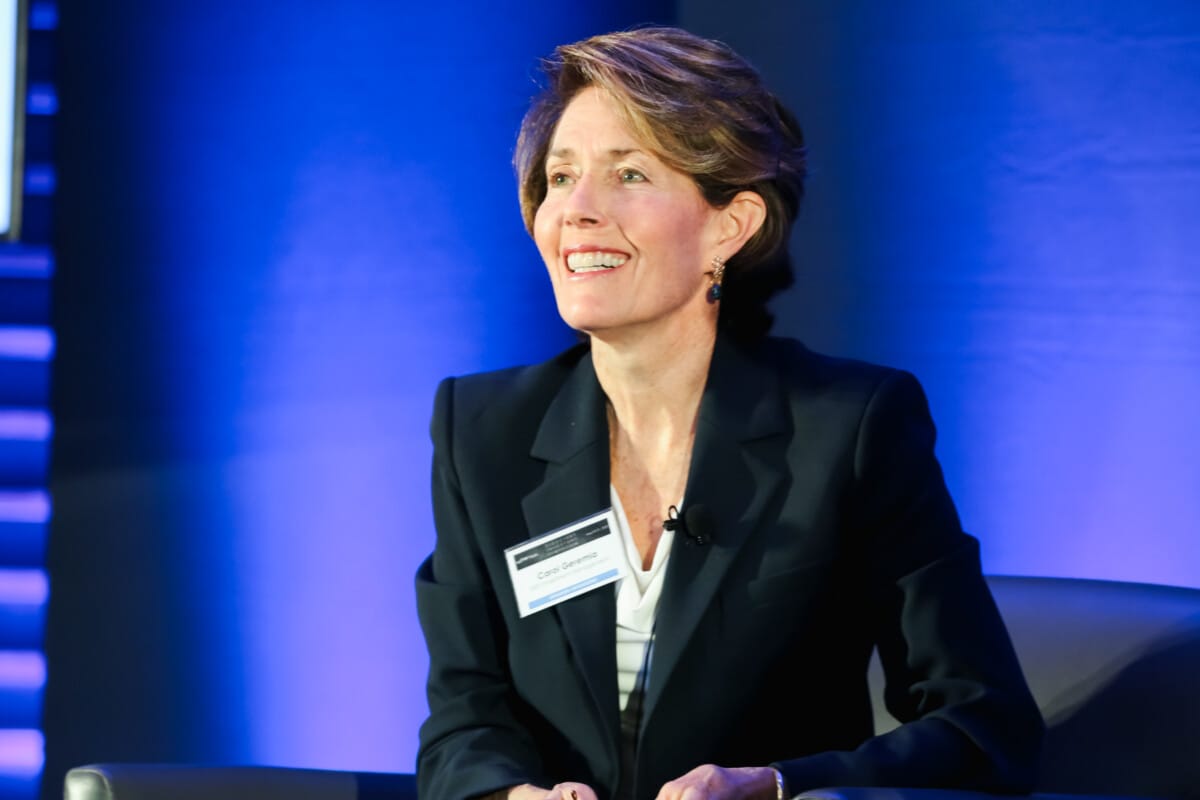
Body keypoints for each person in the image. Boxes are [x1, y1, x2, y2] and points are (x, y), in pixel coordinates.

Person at [415, 26, 1043, 800]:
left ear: (731, 224)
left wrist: (776, 786)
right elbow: (463, 723)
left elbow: (981, 727)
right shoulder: (481, 431)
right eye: (560, 177)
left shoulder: (847, 429)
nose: (575, 211)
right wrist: (512, 795)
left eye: (629, 174)